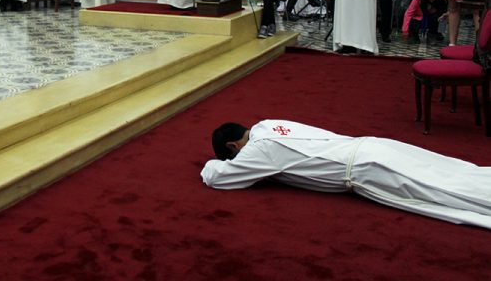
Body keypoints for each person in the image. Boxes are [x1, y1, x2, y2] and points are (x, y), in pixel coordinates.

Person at [202, 120, 491, 230]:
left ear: (233, 146)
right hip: (370, 144)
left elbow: (219, 177)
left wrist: (209, 165)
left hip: (368, 169)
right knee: (453, 171)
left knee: (445, 192)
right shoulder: (267, 124)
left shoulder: (257, 150)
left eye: (234, 155)